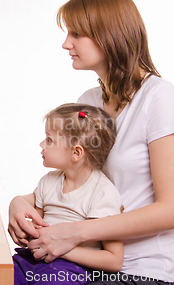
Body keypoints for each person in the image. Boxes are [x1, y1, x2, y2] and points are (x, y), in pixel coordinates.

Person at [8, 0, 174, 284]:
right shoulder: (89, 102)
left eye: (76, 34)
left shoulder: (159, 98)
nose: (66, 44)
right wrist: (20, 201)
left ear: (110, 34)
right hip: (85, 266)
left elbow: (173, 211)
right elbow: (81, 183)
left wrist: (74, 233)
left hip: (147, 271)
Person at [13, 103, 123, 285]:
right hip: (33, 259)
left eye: (49, 140)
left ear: (76, 152)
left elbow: (113, 260)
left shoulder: (102, 192)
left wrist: (62, 249)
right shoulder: (48, 181)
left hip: (70, 268)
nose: (41, 145)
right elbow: (37, 226)